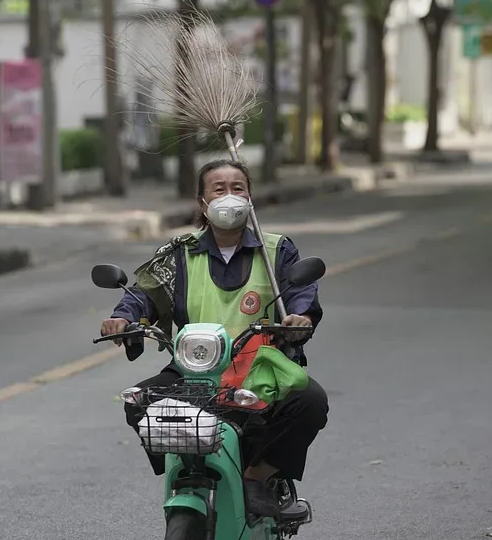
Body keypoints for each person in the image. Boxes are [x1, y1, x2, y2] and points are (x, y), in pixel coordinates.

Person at [99, 158, 329, 518]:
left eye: (238, 188)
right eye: (219, 189)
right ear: (202, 202)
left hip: (262, 369)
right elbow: (142, 293)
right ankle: (192, 467)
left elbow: (300, 292)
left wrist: (299, 317)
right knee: (140, 403)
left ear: (250, 197)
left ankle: (258, 476)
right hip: (194, 370)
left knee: (310, 402)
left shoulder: (276, 250)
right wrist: (122, 318)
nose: (229, 196)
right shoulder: (179, 253)